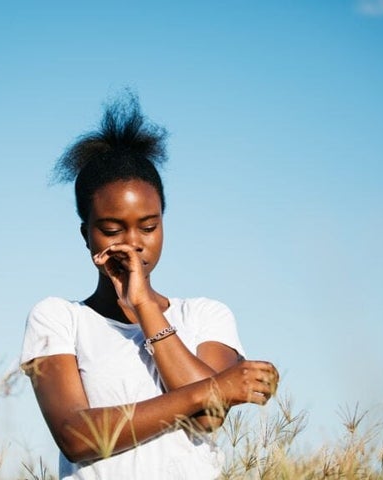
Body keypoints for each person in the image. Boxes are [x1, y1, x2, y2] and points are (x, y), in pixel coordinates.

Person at [20, 92, 279, 479]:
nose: (133, 242)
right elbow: (77, 437)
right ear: (86, 234)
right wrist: (215, 388)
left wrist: (144, 306)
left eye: (148, 227)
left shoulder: (206, 315)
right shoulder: (58, 319)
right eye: (111, 229)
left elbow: (208, 419)